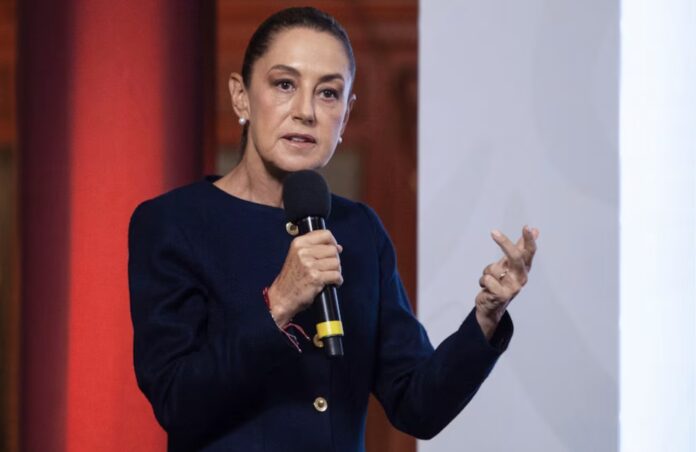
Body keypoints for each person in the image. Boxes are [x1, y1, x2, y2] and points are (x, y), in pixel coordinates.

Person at [128, 6, 539, 452]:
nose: (306, 111)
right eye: (285, 85)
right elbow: (177, 401)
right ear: (241, 96)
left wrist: (486, 319)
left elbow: (418, 405)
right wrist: (278, 304)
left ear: (346, 115)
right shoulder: (175, 223)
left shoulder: (359, 230)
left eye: (328, 93)